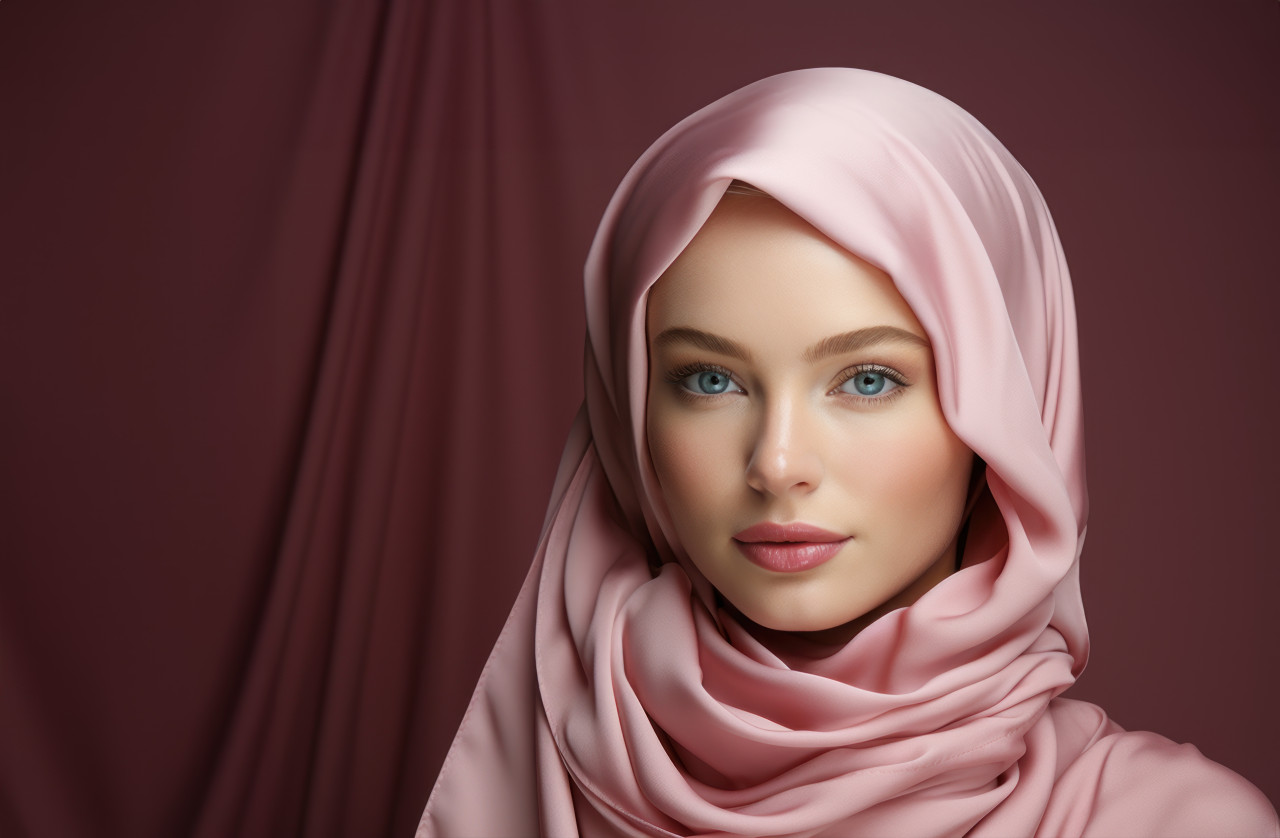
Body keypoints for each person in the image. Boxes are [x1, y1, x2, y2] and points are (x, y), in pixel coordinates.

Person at [418, 68, 1278, 837]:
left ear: (1007, 416)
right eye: (710, 381)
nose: (778, 464)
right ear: (627, 410)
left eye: (866, 380)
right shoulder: (534, 785)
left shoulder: (1174, 826)